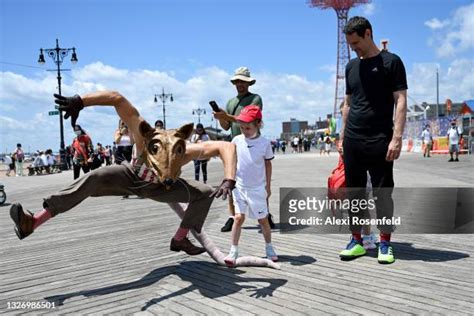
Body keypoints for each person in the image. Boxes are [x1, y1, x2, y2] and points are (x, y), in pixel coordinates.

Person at [10, 91, 236, 257]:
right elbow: (117, 99)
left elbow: (225, 147)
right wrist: (80, 101)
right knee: (95, 177)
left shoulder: (184, 149)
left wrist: (229, 178)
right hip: (131, 176)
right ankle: (34, 222)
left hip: (162, 187)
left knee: (205, 192)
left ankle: (179, 239)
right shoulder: (143, 134)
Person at [338, 16, 408, 264]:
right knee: (354, 193)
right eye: (350, 44)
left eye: (356, 42)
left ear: (368, 33)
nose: (353, 48)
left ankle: (385, 243)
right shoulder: (351, 67)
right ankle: (356, 241)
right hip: (353, 141)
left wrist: (397, 137)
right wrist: (342, 135)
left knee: (382, 193)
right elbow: (347, 104)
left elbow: (400, 100)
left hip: (380, 139)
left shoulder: (392, 62)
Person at [213, 66, 275, 231]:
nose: (240, 84)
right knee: (230, 178)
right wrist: (221, 118)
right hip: (236, 144)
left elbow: (250, 119)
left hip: (254, 143)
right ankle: (232, 216)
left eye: (243, 81)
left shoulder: (255, 98)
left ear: (249, 83)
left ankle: (265, 214)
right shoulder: (230, 102)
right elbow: (226, 127)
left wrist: (227, 116)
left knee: (258, 180)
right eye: (237, 81)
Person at [223, 106, 277, 266]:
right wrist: (229, 178)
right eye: (242, 127)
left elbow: (268, 165)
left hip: (257, 188)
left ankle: (269, 247)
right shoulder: (236, 141)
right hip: (239, 186)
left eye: (248, 127)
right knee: (238, 218)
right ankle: (233, 250)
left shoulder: (264, 143)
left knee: (263, 220)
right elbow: (231, 161)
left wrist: (268, 186)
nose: (245, 131)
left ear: (259, 124)